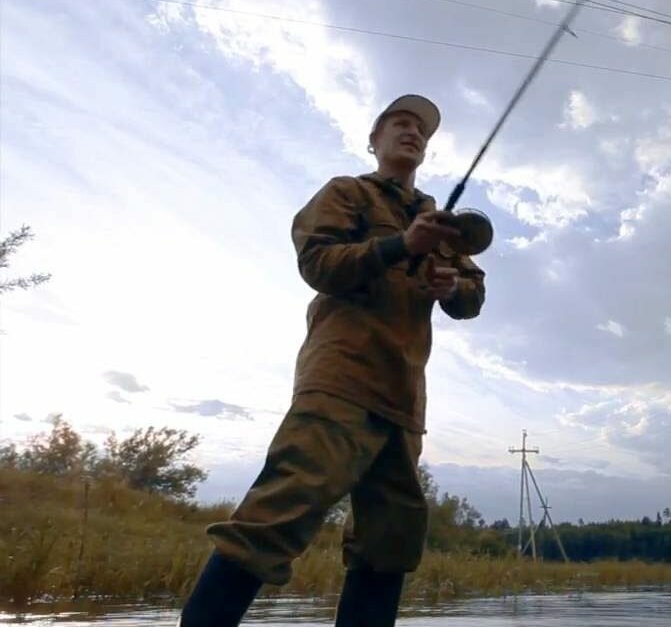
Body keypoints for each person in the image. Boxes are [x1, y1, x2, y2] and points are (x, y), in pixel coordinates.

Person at [178, 94, 486, 626]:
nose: (412, 133)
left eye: (422, 130)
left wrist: (451, 283)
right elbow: (317, 262)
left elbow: (472, 297)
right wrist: (399, 246)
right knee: (278, 514)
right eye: (400, 123)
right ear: (375, 139)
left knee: (390, 542)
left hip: (404, 401)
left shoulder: (440, 223)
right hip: (340, 380)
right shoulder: (347, 192)